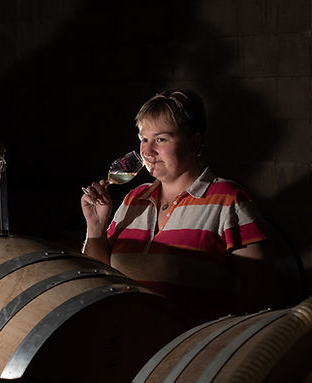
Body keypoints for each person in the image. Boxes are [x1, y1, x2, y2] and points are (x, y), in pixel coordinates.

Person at [81, 89, 280, 322]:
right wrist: (95, 227)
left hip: (191, 351)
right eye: (143, 139)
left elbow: (259, 295)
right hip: (126, 343)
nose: (147, 151)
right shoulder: (133, 200)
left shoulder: (228, 200)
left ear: (193, 143)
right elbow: (97, 278)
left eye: (161, 139)